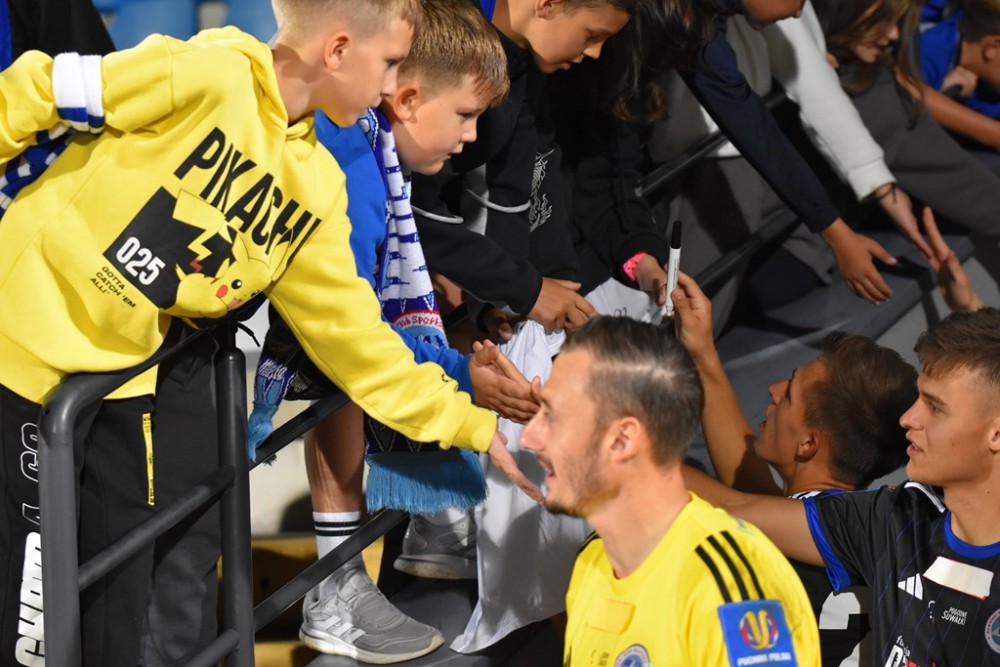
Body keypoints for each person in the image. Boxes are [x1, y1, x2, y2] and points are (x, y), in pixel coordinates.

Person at [0, 0, 542, 664]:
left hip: (124, 377)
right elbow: (37, 87)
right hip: (23, 357)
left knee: (118, 604)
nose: (391, 87)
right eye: (390, 63)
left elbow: (356, 343)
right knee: (31, 615)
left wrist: (471, 424)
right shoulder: (208, 71)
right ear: (337, 50)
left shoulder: (317, 186)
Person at [245, 0, 526, 661]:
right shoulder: (347, 149)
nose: (471, 136)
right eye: (465, 115)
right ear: (407, 98)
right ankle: (337, 584)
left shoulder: (366, 142)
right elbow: (352, 333)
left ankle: (376, 552)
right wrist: (461, 379)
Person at [683, 307, 1000, 666]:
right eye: (918, 399)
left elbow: (738, 506)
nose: (908, 419)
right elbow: (741, 504)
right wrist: (703, 356)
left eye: (936, 408)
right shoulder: (895, 517)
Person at [519, 316, 822, 667]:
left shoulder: (731, 585)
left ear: (623, 440)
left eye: (555, 417)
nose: (529, 438)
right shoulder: (592, 561)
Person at [672, 271, 916, 666]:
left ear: (808, 444)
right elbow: (750, 492)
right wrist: (702, 353)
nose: (773, 390)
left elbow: (728, 504)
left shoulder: (783, 547)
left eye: (790, 392)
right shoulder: (847, 523)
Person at [920, 0, 1000, 170]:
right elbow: (907, 102)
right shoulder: (929, 52)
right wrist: (941, 91)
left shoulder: (990, 81)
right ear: (992, 48)